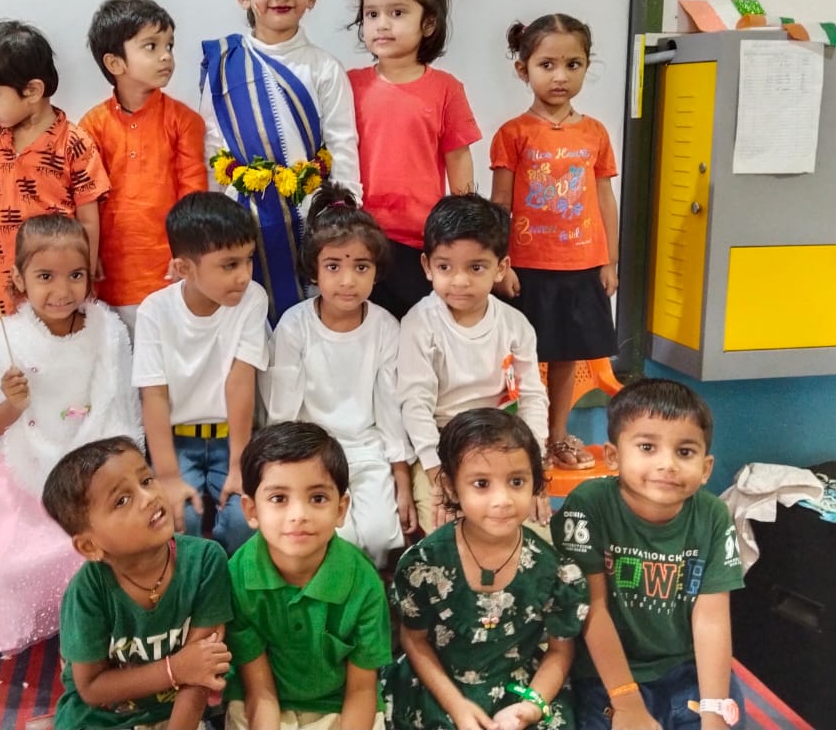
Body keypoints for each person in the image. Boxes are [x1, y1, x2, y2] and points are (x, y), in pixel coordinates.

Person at [0, 215, 140, 654]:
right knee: (6, 556)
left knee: (113, 541)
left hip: (90, 466)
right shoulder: (6, 339)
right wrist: (12, 405)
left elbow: (120, 408)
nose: (62, 290)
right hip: (22, 469)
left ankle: (97, 632)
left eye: (75, 275)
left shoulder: (107, 331)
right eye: (45, 277)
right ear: (20, 279)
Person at [200, 0, 362, 322]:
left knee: (311, 321)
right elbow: (213, 145)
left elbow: (343, 146)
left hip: (311, 215)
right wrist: (214, 221)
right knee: (248, 322)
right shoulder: (224, 63)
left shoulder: (324, 67)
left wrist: (343, 222)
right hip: (243, 219)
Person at [552, 379, 745, 730]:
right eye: (647, 447)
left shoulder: (713, 515)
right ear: (613, 457)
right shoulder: (589, 504)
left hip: (686, 669)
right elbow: (592, 608)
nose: (667, 464)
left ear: (706, 468)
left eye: (684, 452)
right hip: (605, 673)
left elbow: (711, 619)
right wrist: (626, 701)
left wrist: (714, 711)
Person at [386, 409, 587, 730]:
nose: (502, 500)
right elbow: (414, 641)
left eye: (517, 482)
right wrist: (457, 707)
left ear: (535, 482)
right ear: (451, 488)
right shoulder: (423, 564)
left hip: (519, 689)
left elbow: (560, 651)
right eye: (481, 484)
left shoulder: (555, 571)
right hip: (439, 687)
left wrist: (531, 706)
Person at [490, 13, 619, 471]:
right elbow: (500, 204)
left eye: (573, 64)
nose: (560, 76)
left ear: (586, 66)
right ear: (523, 69)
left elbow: (605, 199)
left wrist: (610, 260)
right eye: (547, 65)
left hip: (581, 266)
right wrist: (501, 265)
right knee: (520, 361)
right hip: (527, 269)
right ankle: (521, 442)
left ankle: (557, 437)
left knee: (565, 358)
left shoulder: (595, 133)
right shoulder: (513, 133)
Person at [264, 182, 412, 568]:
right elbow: (282, 411)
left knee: (380, 537)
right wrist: (284, 470)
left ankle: (368, 593)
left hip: (367, 450)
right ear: (314, 270)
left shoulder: (386, 327)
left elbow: (391, 407)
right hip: (310, 452)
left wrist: (402, 478)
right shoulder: (294, 326)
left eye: (361, 267)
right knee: (337, 539)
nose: (347, 281)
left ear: (376, 271)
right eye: (333, 266)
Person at [45, 437, 234, 730]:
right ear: (89, 546)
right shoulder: (86, 592)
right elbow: (91, 688)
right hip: (104, 718)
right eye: (122, 500)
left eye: (146, 480)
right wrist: (174, 669)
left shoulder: (206, 561)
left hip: (177, 712)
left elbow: (201, 670)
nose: (148, 497)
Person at [224, 422, 393, 730]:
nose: (298, 515)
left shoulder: (364, 583)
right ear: (251, 510)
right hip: (264, 703)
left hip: (340, 705)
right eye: (279, 498)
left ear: (341, 509)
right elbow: (260, 690)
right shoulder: (238, 576)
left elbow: (361, 690)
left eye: (317, 498)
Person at [398, 193, 550, 533]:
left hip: (504, 443)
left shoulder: (515, 325)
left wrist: (534, 467)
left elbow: (532, 397)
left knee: (533, 535)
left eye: (476, 267)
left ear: (501, 268)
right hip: (443, 447)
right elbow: (414, 404)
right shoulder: (419, 324)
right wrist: (437, 472)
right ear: (427, 266)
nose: (460, 281)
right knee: (451, 534)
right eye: (445, 267)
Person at [348, 0, 482, 319]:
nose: (382, 24)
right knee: (363, 332)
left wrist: (463, 230)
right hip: (359, 237)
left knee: (416, 331)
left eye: (397, 12)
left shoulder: (446, 89)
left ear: (428, 24)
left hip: (420, 240)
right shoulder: (348, 84)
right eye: (372, 14)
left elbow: (459, 161)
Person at [133, 192, 269, 554]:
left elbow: (240, 380)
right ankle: (195, 583)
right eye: (229, 265)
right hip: (177, 443)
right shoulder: (154, 311)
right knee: (182, 519)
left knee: (244, 519)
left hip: (233, 439)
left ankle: (233, 580)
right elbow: (154, 396)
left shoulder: (252, 299)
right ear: (184, 269)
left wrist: (239, 465)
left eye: (248, 260)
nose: (244, 276)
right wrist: (167, 477)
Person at [0, 19, 111, 327]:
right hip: (0, 290)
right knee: (5, 355)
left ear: (32, 90)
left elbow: (89, 221)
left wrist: (86, 275)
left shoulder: (74, 143)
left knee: (58, 350)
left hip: (58, 290)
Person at [80, 0, 208, 335]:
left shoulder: (184, 121)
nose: (166, 56)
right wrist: (88, 256)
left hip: (170, 270)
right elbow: (86, 202)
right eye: (151, 46)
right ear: (115, 63)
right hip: (111, 274)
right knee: (119, 357)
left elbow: (193, 196)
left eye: (169, 45)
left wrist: (187, 252)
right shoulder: (92, 126)